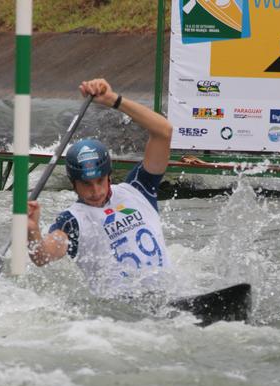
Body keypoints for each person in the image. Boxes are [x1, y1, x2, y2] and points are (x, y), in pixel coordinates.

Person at [27, 78, 173, 296]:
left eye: (100, 181)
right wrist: (32, 232)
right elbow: (43, 256)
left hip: (168, 296)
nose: (96, 191)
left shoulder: (139, 188)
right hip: (125, 314)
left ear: (109, 176)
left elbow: (164, 131)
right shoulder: (72, 221)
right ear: (73, 184)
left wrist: (113, 100)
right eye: (86, 184)